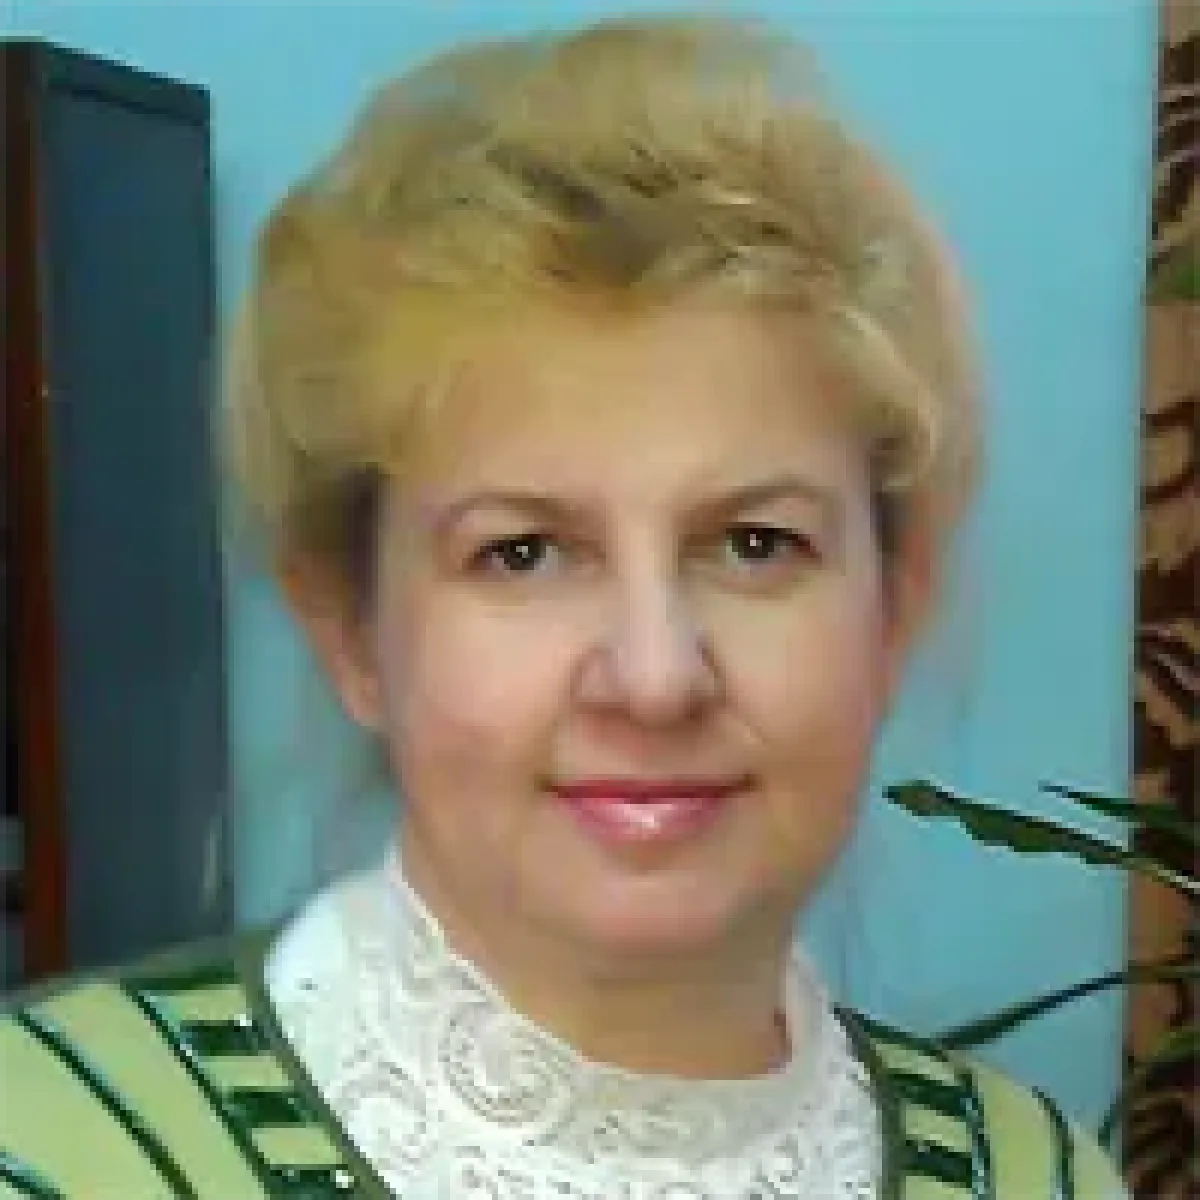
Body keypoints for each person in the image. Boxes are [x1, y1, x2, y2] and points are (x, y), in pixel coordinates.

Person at [0, 13, 1125, 1197]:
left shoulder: (1036, 1175)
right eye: (524, 553)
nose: (655, 677)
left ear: (894, 610)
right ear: (349, 629)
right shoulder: (45, 1149)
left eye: (756, 544)